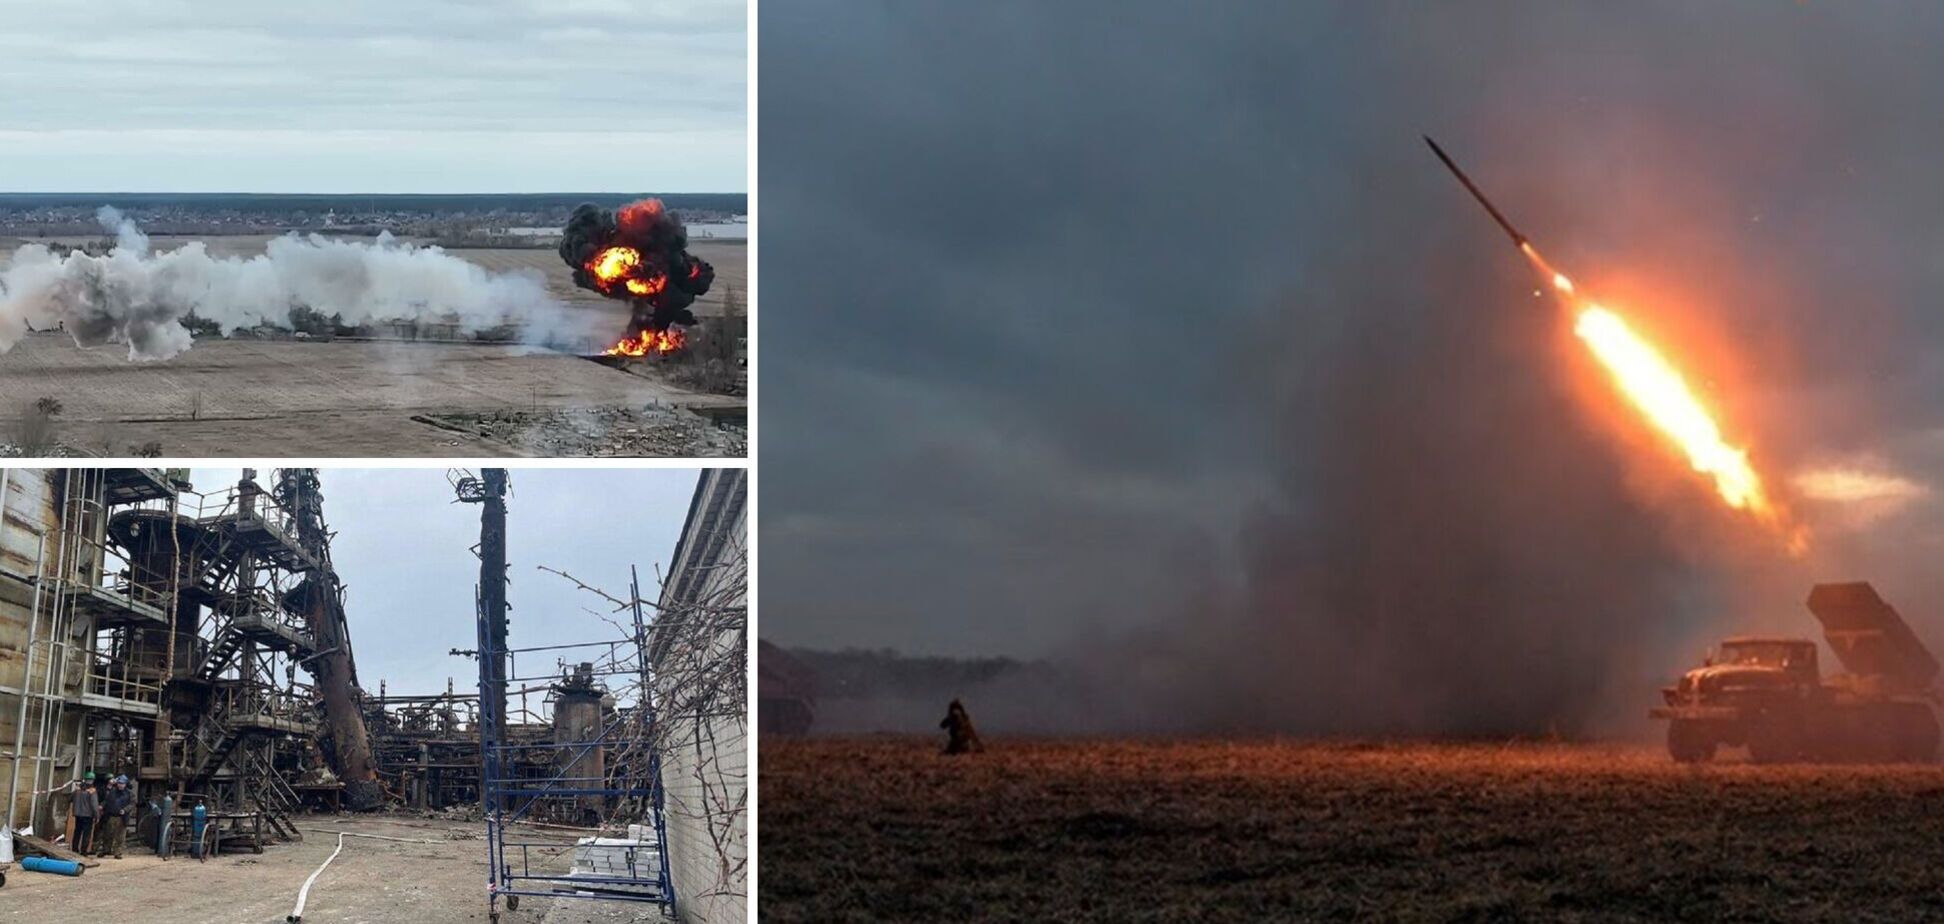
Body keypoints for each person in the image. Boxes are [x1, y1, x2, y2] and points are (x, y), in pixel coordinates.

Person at [97, 777, 130, 859]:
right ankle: (106, 850)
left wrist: (125, 810)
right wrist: (102, 805)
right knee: (107, 834)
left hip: (122, 818)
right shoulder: (112, 792)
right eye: (119, 783)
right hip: (111, 816)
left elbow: (132, 804)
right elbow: (106, 801)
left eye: (122, 784)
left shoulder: (129, 794)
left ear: (125, 784)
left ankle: (117, 853)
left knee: (120, 836)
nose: (120, 785)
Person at [71, 776, 98, 855]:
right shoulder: (92, 791)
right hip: (88, 815)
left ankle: (74, 849)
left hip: (78, 814)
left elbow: (70, 798)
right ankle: (83, 851)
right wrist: (97, 815)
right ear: (93, 780)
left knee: (77, 832)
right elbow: (94, 805)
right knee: (86, 834)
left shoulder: (77, 789)